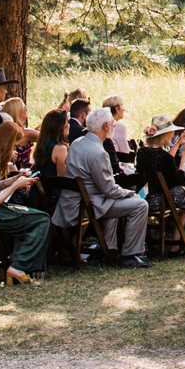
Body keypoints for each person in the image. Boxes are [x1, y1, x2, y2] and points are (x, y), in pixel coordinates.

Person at [57, 107, 150, 268]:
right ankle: (130, 254)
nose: (114, 127)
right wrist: (131, 194)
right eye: (113, 124)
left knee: (113, 202)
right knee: (140, 205)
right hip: (87, 205)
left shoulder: (77, 143)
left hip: (71, 202)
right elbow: (110, 189)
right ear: (106, 125)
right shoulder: (98, 153)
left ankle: (109, 250)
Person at [0, 120, 51, 285]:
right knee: (42, 220)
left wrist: (13, 179)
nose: (14, 150)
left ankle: (21, 263)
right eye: (13, 146)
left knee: (37, 216)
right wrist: (15, 186)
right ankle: (19, 265)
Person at [134, 115, 185, 212]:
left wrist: (177, 144)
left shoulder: (141, 152)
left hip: (142, 197)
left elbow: (161, 161)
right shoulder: (165, 158)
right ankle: (178, 227)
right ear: (165, 134)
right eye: (171, 133)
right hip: (159, 202)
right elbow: (179, 181)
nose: (172, 135)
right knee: (183, 193)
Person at [31, 108, 71, 210]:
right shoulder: (60, 148)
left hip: (37, 194)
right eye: (67, 124)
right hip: (52, 197)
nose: (69, 126)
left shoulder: (42, 144)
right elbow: (62, 178)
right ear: (60, 128)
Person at [102, 95, 132, 161]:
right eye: (122, 105)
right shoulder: (118, 126)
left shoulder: (101, 124)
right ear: (117, 109)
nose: (124, 109)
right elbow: (125, 152)